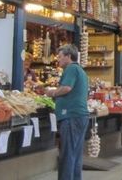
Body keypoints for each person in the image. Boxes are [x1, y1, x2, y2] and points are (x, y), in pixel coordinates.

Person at [46, 44, 88, 180]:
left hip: (71, 116)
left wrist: (52, 93)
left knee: (67, 154)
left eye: (60, 57)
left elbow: (67, 88)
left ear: (68, 57)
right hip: (79, 116)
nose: (58, 60)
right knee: (75, 154)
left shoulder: (71, 68)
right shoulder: (80, 70)